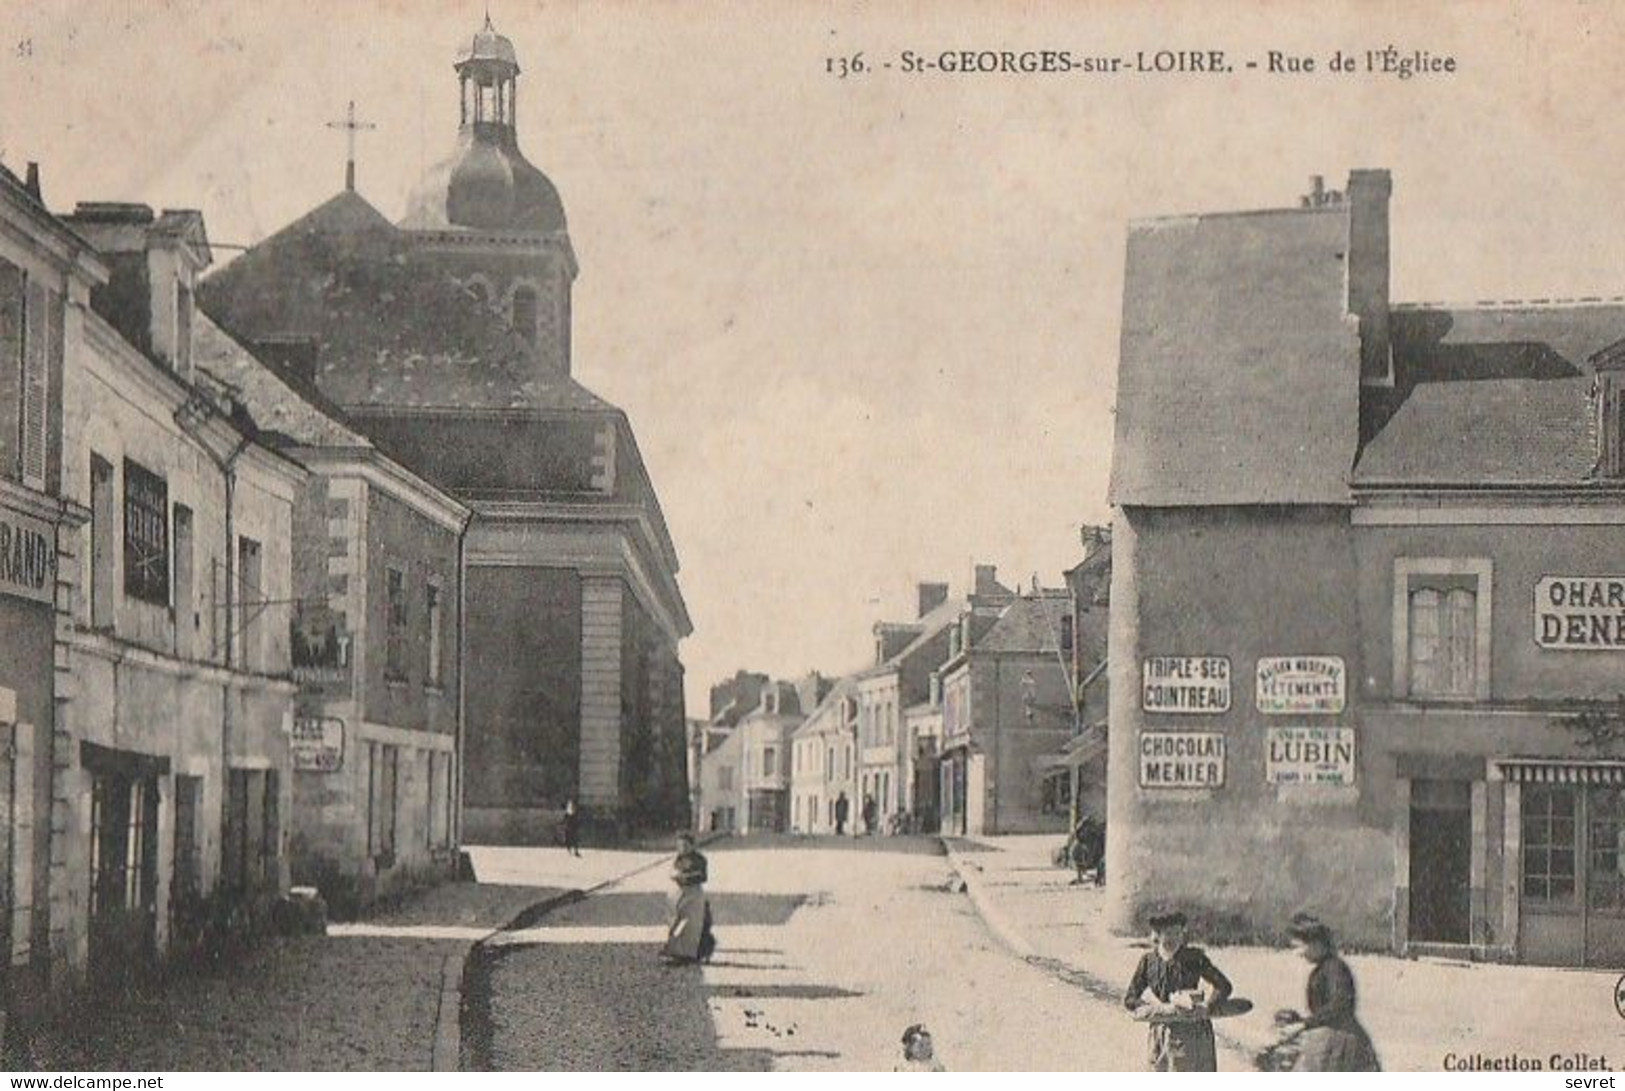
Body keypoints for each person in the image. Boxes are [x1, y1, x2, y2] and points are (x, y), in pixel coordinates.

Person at [1124, 910, 1233, 1072]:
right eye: (1168, 933)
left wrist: (1207, 1006)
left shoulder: (1194, 958)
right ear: (1157, 935)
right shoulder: (1148, 962)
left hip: (1192, 1032)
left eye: (1178, 933)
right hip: (1161, 1032)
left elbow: (1224, 986)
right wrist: (1156, 1009)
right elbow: (1130, 998)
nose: (1174, 938)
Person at [1274, 914, 1380, 1072]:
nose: (1298, 953)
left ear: (1316, 942)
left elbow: (1340, 1004)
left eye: (1299, 946)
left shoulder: (1334, 968)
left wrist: (1303, 1024)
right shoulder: (1326, 968)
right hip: (1333, 1042)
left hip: (1340, 1045)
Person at [661, 831, 717, 965]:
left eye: (685, 845)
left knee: (690, 924)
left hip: (694, 894)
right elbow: (673, 872)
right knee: (674, 921)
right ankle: (674, 950)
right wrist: (675, 875)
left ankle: (688, 953)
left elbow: (703, 877)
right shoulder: (678, 859)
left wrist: (687, 877)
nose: (682, 849)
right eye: (680, 846)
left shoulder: (700, 859)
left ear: (692, 845)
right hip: (679, 893)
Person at [1069, 814, 1105, 886]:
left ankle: (1100, 877)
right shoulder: (1077, 846)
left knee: (1101, 859)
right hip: (1087, 856)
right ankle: (1081, 877)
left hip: (1094, 856)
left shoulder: (1097, 839)